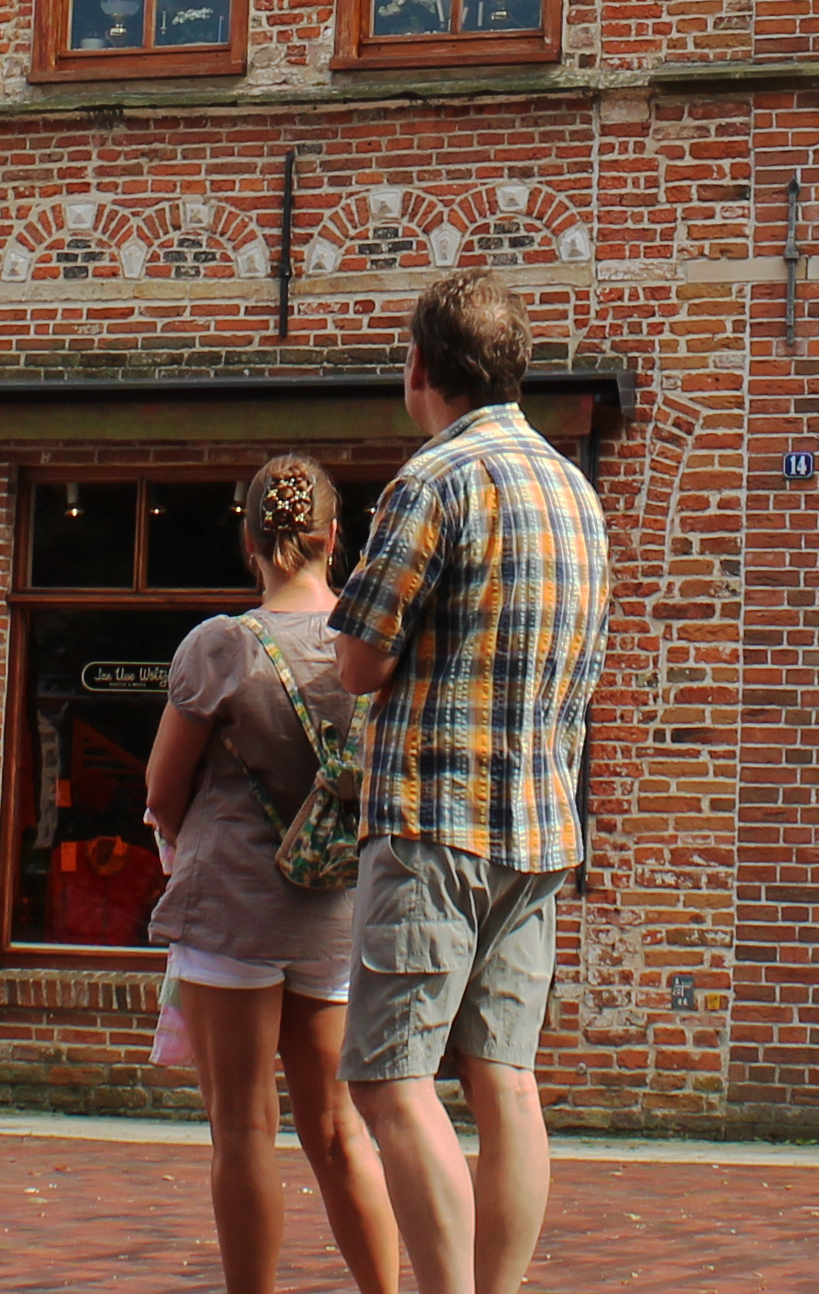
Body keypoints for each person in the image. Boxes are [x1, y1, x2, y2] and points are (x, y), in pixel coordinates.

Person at [330, 273, 612, 1294]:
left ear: (420, 369)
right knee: (508, 1082)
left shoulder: (432, 481)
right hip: (540, 827)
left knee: (392, 1080)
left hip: (432, 820)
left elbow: (360, 662)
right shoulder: (574, 489)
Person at [144, 456, 402, 1294]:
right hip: (334, 912)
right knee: (337, 1129)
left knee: (245, 1128)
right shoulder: (366, 653)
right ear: (337, 539)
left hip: (231, 909)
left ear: (250, 538)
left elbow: (159, 788)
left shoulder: (221, 647)